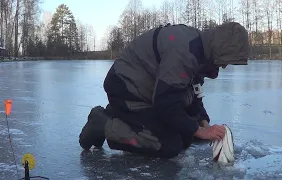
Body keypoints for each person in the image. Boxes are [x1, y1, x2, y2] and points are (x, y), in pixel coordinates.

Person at [79, 22, 250, 158]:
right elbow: (165, 104)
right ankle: (102, 124)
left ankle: (121, 115)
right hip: (127, 90)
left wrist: (203, 123)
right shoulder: (185, 52)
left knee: (186, 135)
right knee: (169, 145)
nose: (226, 66)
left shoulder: (201, 49)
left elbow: (193, 92)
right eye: (228, 59)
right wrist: (200, 131)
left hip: (148, 91)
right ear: (221, 48)